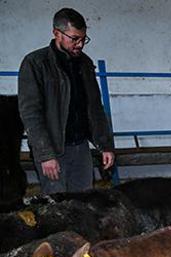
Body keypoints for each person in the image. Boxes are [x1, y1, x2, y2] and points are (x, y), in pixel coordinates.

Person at [18, 7, 114, 194]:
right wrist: (45, 154)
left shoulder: (85, 64)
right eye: (74, 39)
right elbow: (31, 113)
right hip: (53, 150)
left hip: (81, 148)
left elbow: (95, 108)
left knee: (85, 202)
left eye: (83, 39)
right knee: (59, 205)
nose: (80, 44)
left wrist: (105, 146)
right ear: (56, 33)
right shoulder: (35, 63)